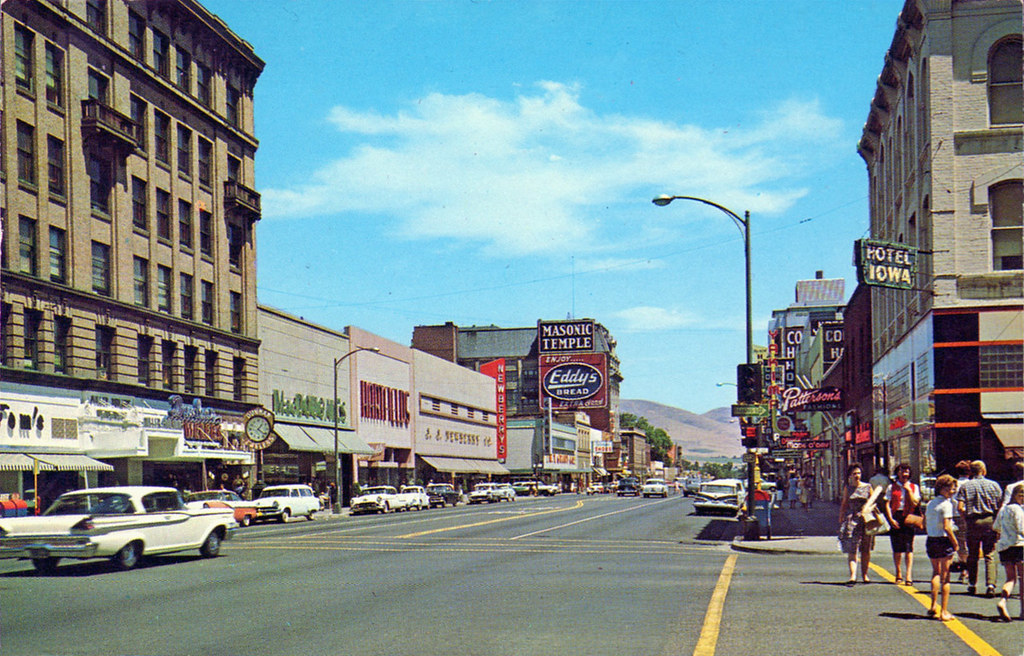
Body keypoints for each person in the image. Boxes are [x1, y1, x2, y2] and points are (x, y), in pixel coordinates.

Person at [957, 460, 1003, 596]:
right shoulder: (994, 485)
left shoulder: (966, 486)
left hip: (973, 522)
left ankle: (972, 584)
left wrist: (966, 519)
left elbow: (960, 507)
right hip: (989, 520)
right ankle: (990, 585)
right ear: (984, 470)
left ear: (971, 471)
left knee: (973, 554)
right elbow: (1000, 505)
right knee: (989, 553)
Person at [924, 474, 960, 622]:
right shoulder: (947, 504)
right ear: (943, 488)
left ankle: (933, 606)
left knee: (936, 572)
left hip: (931, 538)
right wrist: (955, 543)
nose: (953, 491)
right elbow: (947, 527)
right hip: (944, 540)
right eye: (950, 488)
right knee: (946, 577)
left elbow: (925, 522)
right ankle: (943, 611)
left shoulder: (930, 503)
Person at [883, 463, 921, 586]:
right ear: (898, 473)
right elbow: (887, 504)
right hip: (896, 516)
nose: (904, 474)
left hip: (909, 517)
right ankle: (898, 572)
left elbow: (915, 503)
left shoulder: (914, 487)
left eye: (907, 472)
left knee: (909, 546)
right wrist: (890, 519)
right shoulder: (891, 487)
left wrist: (908, 490)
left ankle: (908, 574)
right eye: (902, 471)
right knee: (897, 548)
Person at [838, 464, 875, 585]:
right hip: (852, 520)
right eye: (854, 473)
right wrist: (841, 517)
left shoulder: (868, 487)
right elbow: (844, 503)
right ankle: (853, 576)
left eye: (858, 473)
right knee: (852, 548)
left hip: (866, 520)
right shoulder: (848, 488)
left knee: (865, 548)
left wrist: (869, 510)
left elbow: (873, 501)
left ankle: (865, 575)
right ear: (850, 475)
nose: (857, 476)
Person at [992, 484, 1024, 621]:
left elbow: (996, 526)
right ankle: (1023, 611)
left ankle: (1003, 601)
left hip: (1005, 547)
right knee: (1022, 578)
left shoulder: (1004, 509)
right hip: (1019, 545)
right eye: (1021, 496)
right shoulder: (1018, 510)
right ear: (1016, 496)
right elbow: (1021, 528)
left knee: (1010, 578)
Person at [953, 459, 972, 583]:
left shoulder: (954, 484)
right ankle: (968, 569)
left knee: (959, 543)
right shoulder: (971, 484)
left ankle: (964, 569)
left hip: (955, 515)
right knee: (968, 542)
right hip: (969, 514)